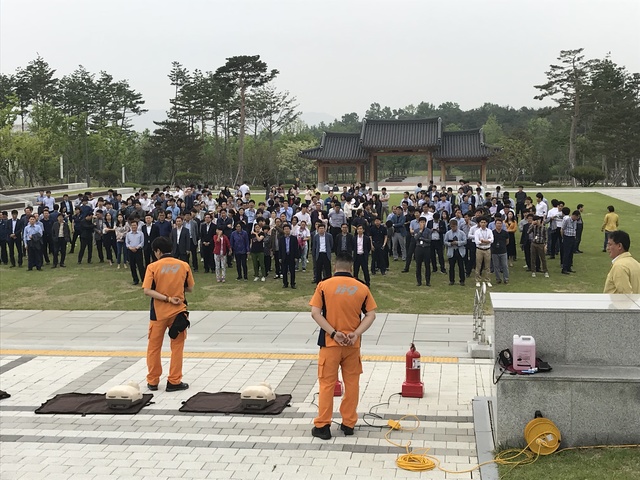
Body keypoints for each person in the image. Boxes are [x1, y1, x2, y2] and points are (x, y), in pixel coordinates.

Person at [309, 253, 377, 440]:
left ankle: (323, 425)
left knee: (327, 384)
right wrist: (356, 333)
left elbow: (315, 313)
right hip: (352, 345)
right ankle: (348, 423)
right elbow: (371, 314)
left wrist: (333, 332)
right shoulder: (362, 288)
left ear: (334, 267)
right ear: (351, 268)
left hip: (330, 344)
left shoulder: (323, 286)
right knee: (352, 384)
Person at [142, 236, 195, 392]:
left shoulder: (153, 267)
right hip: (179, 313)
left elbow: (147, 290)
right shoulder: (183, 265)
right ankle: (174, 381)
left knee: (154, 347)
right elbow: (190, 288)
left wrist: (166, 298)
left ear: (158, 251)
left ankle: (153, 381)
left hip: (158, 313)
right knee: (177, 347)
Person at [443, 219, 467, 286]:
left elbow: (465, 241)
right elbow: (445, 241)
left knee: (461, 266)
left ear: (457, 226)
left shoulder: (462, 233)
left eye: (454, 226)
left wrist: (458, 243)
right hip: (452, 251)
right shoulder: (448, 233)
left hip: (459, 251)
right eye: (451, 226)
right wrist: (450, 244)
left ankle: (462, 280)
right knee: (451, 267)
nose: (453, 228)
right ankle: (451, 280)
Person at [474, 217, 493, 287]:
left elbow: (492, 240)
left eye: (484, 222)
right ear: (479, 223)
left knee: (487, 266)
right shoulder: (477, 232)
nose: (483, 224)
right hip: (479, 250)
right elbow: (477, 242)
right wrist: (486, 241)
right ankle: (477, 280)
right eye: (481, 222)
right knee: (478, 266)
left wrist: (484, 241)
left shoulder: (489, 231)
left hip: (487, 250)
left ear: (486, 223)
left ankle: (487, 280)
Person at [413, 217, 432, 287]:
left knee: (427, 265)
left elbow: (429, 240)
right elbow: (415, 238)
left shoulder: (429, 231)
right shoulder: (416, 230)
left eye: (423, 222)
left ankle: (428, 281)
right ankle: (419, 281)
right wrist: (420, 232)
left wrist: (422, 238)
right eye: (421, 222)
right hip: (419, 248)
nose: (422, 223)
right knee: (418, 265)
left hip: (426, 248)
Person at [125, 220, 145, 285]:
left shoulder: (140, 233)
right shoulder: (128, 234)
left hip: (138, 251)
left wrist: (137, 247)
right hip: (130, 251)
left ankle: (143, 279)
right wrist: (130, 248)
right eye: (132, 225)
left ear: (137, 226)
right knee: (132, 266)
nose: (134, 226)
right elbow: (127, 243)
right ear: (131, 226)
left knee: (140, 266)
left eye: (135, 225)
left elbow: (142, 242)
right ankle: (135, 280)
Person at [279, 223, 299, 289]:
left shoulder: (294, 238)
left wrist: (296, 257)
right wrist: (280, 257)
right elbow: (280, 249)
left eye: (288, 229)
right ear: (283, 230)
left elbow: (296, 248)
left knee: (292, 271)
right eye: (285, 229)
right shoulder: (281, 239)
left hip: (291, 256)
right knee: (284, 271)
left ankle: (293, 283)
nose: (286, 230)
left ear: (290, 230)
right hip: (284, 256)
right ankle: (285, 283)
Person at [560, 208, 578, 275]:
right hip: (567, 237)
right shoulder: (567, 219)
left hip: (572, 237)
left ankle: (569, 267)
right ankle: (564, 268)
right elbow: (562, 229)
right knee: (566, 254)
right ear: (574, 215)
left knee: (571, 253)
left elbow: (574, 229)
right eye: (577, 217)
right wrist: (563, 238)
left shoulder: (575, 221)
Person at [491, 218, 509, 284]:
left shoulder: (505, 233)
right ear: (495, 224)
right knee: (496, 266)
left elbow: (507, 241)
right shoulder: (492, 232)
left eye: (500, 223)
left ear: (502, 224)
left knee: (505, 265)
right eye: (497, 223)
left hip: (503, 251)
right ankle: (498, 278)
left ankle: (506, 278)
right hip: (494, 252)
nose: (499, 225)